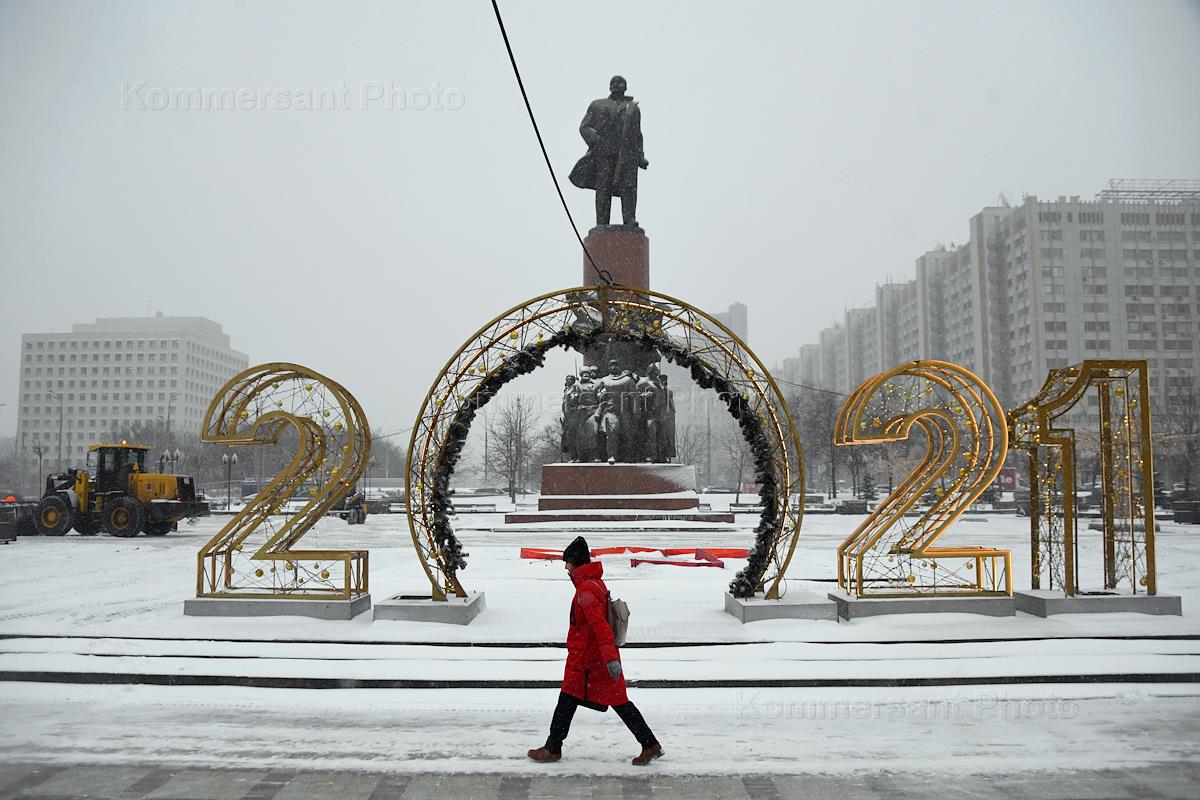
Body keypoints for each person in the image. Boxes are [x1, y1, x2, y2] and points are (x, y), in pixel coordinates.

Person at [528, 536, 663, 765]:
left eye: (567, 563)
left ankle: (553, 748)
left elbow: (601, 628)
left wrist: (610, 659)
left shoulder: (586, 592)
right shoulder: (593, 583)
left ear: (576, 563)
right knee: (578, 700)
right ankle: (649, 744)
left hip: (591, 662)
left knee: (604, 702)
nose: (565, 567)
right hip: (589, 659)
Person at [569, 75, 649, 228]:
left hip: (627, 155)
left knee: (629, 188)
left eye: (620, 82)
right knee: (603, 189)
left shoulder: (633, 108)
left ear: (625, 87)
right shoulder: (597, 105)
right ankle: (602, 223)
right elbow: (584, 127)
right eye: (613, 82)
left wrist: (640, 156)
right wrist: (596, 140)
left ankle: (629, 220)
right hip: (604, 154)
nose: (616, 84)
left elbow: (637, 134)